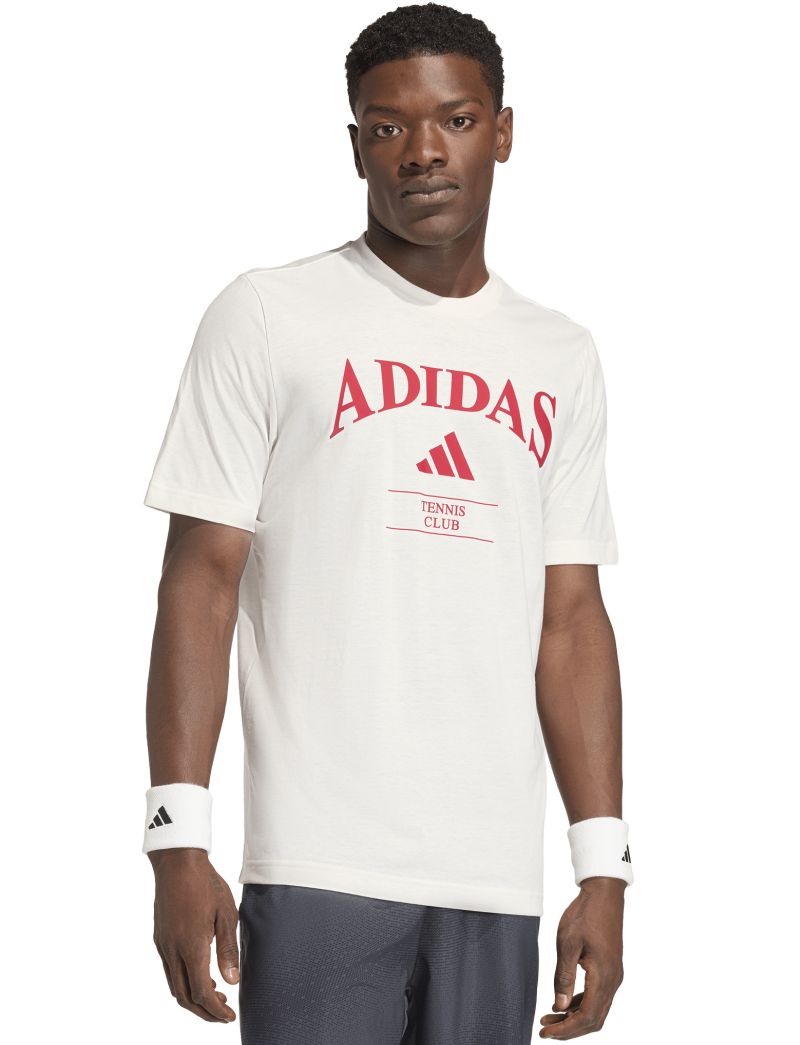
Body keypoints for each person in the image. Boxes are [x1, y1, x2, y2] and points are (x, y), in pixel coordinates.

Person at [141, 4, 633, 1042]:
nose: (421, 152)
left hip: (492, 875)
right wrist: (176, 836)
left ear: (502, 132)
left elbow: (570, 619)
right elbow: (200, 580)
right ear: (356, 143)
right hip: (318, 861)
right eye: (387, 126)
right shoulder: (267, 314)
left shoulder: (560, 354)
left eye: (455, 119)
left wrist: (603, 866)